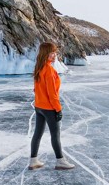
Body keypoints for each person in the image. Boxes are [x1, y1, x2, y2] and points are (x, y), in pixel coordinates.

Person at [29, 42, 75, 171]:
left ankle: (33, 161)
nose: (54, 55)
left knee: (37, 133)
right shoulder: (49, 70)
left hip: (39, 106)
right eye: (52, 53)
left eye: (55, 52)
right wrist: (58, 109)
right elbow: (52, 93)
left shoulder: (40, 67)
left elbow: (36, 89)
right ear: (46, 54)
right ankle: (60, 161)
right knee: (55, 134)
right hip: (48, 108)